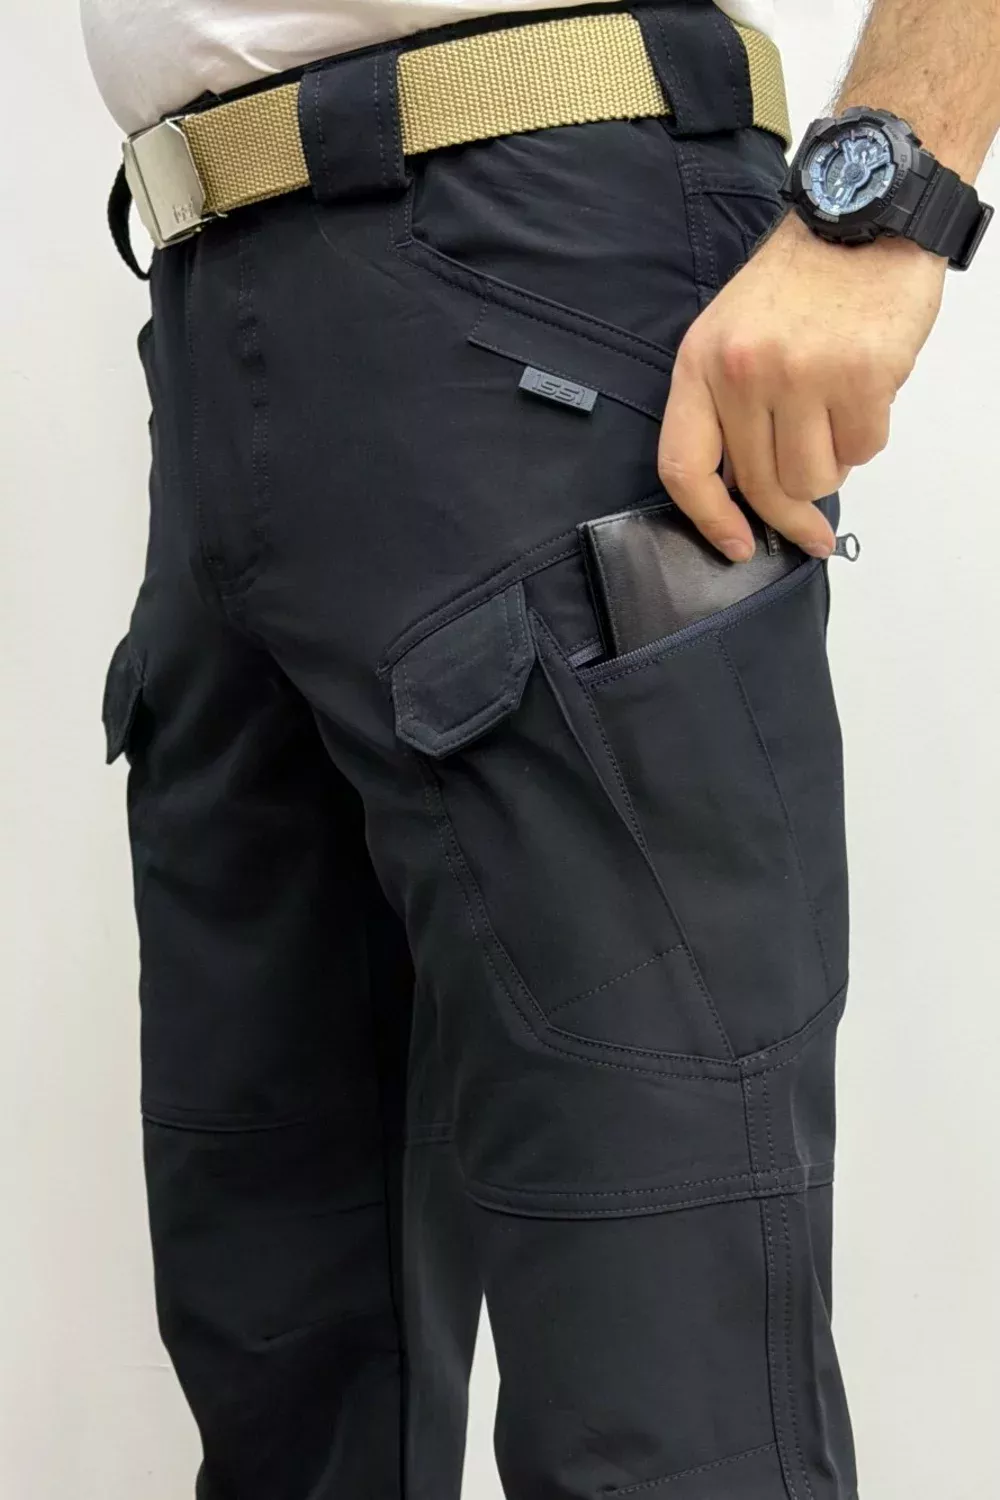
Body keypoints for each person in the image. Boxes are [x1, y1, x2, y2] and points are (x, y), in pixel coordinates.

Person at [85, 0, 998, 1496]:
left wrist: (888, 198)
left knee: (666, 1413)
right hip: (212, 308)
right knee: (280, 1379)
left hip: (537, 256)